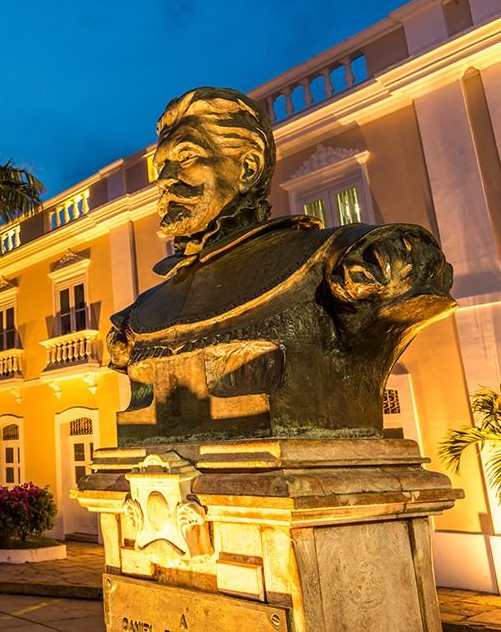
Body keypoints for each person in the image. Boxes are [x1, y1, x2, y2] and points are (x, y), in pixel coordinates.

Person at [108, 87, 455, 443]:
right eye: (160, 166)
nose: (165, 179)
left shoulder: (346, 259)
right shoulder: (139, 316)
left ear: (248, 167)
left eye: (186, 156)